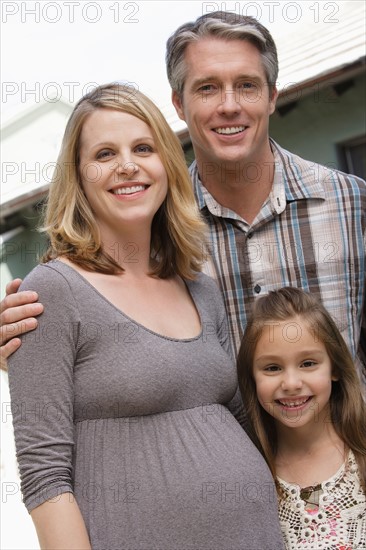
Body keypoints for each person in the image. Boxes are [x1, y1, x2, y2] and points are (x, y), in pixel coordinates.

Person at [1, 11, 365, 385]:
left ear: (271, 96)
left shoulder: (351, 203)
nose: (228, 105)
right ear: (178, 103)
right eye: (207, 88)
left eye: (247, 85)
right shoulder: (147, 229)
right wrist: (24, 343)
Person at [6, 82, 284, 549]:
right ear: (78, 176)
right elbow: (44, 474)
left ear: (167, 166)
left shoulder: (199, 286)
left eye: (142, 148)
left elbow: (238, 423)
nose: (127, 165)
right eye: (104, 154)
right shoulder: (52, 291)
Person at [236, 286, 366, 549]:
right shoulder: (249, 474)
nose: (291, 383)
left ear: (335, 368)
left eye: (308, 363)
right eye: (272, 368)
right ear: (252, 378)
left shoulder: (361, 453)